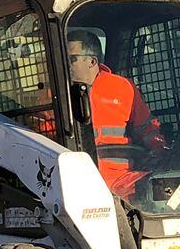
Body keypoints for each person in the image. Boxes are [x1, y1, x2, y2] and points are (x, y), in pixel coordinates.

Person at [67, 30, 163, 196]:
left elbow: (147, 128)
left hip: (123, 179)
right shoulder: (58, 94)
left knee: (159, 190)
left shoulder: (122, 88)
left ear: (91, 61)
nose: (66, 65)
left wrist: (160, 150)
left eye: (71, 59)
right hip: (75, 179)